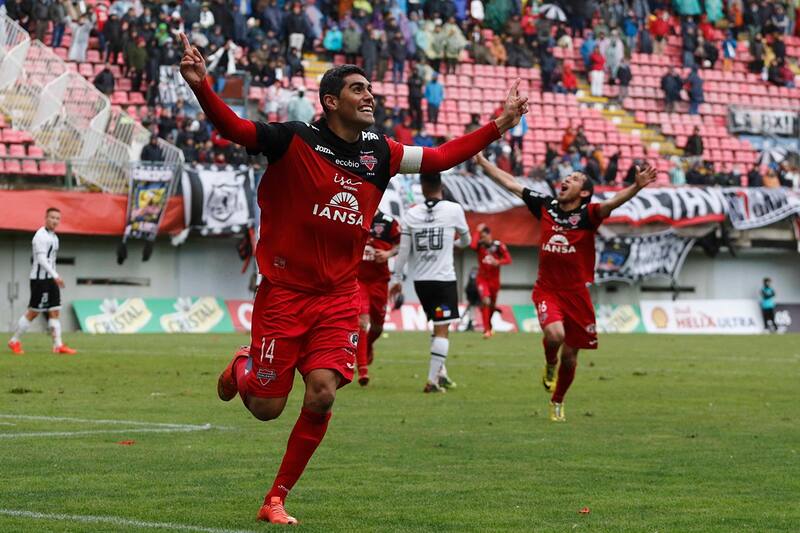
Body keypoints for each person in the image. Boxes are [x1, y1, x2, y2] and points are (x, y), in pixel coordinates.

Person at [178, 33, 527, 524]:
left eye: (370, 89)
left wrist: (499, 124)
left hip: (339, 296)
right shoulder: (293, 138)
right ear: (330, 101)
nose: (370, 96)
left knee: (321, 392)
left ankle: (275, 498)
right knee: (266, 408)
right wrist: (202, 88)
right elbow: (234, 128)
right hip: (284, 294)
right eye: (359, 89)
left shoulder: (379, 152)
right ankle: (243, 365)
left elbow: (442, 156)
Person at [474, 153, 656, 422]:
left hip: (577, 294)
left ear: (583, 192)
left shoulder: (589, 215)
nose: (565, 180)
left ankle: (557, 401)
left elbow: (611, 203)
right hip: (547, 289)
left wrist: (636, 186)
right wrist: (483, 163)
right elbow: (512, 184)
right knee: (556, 335)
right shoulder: (546, 206)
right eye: (566, 177)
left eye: (573, 179)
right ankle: (550, 364)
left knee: (571, 356)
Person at [390, 173, 471, 393]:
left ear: (423, 187)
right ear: (441, 186)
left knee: (437, 328)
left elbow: (404, 251)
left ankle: (441, 373)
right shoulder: (453, 210)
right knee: (442, 330)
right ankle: (432, 381)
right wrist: (454, 242)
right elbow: (467, 240)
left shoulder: (411, 214)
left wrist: (396, 279)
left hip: (421, 283)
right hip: (443, 281)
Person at [7, 208, 77, 356]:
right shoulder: (40, 236)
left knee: (55, 310)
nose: (55, 221)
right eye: (52, 217)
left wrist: (54, 276)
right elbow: (41, 260)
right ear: (46, 218)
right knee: (33, 312)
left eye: (58, 218)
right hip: (39, 280)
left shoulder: (55, 238)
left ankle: (58, 345)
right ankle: (14, 341)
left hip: (50, 279)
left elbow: (51, 261)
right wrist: (56, 275)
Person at [355, 210, 401, 386]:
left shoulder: (389, 222)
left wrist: (388, 254)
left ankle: (366, 346)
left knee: (377, 326)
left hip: (379, 281)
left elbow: (400, 245)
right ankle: (363, 371)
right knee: (361, 322)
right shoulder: (356, 216)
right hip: (358, 280)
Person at [470, 223, 512, 338]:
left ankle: (488, 325)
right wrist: (477, 231)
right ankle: (486, 330)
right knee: (486, 301)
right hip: (482, 279)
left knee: (492, 306)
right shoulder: (479, 246)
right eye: (481, 237)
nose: (482, 239)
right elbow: (472, 246)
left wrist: (498, 262)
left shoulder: (498, 246)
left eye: (483, 236)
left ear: (489, 235)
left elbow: (508, 259)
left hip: (494, 281)